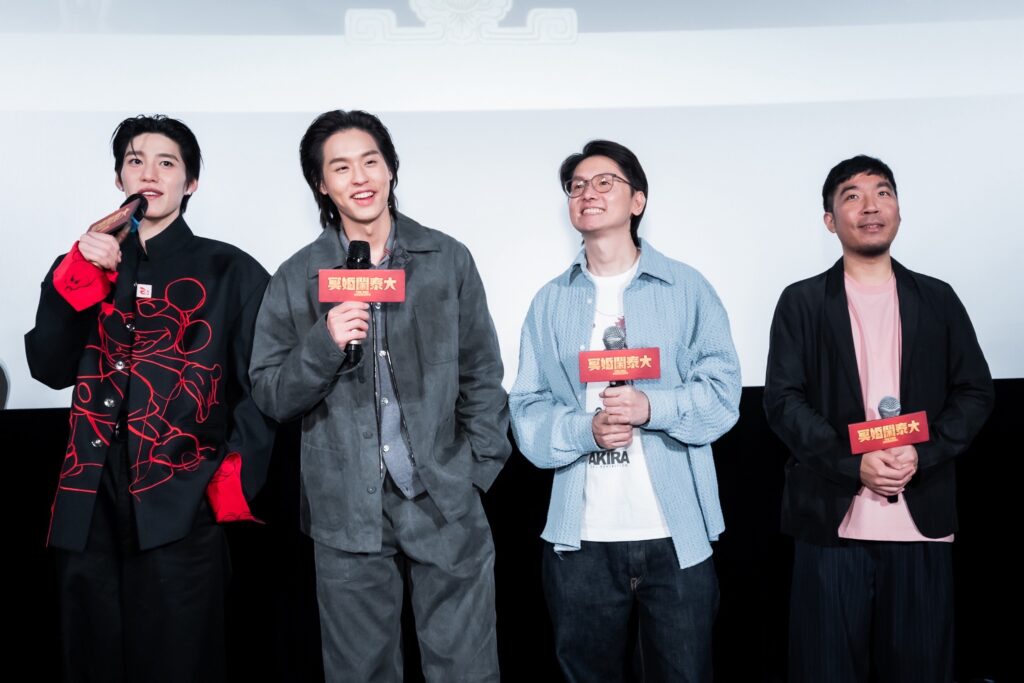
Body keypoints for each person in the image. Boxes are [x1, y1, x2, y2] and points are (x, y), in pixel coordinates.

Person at [248, 110, 510, 682]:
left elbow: (481, 373)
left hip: (444, 497)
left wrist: (474, 471)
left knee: (466, 669)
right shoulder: (298, 275)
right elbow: (270, 392)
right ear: (322, 184)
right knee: (360, 673)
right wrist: (324, 342)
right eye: (341, 167)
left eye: (370, 161)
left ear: (391, 168)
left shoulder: (447, 259)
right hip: (345, 507)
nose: (360, 177)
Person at [25, 114, 275, 682]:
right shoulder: (82, 262)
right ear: (120, 179)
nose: (150, 174)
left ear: (191, 183)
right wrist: (80, 275)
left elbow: (258, 390)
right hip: (89, 498)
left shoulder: (230, 269)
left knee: (179, 660)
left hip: (180, 498)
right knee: (89, 658)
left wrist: (225, 484)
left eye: (167, 163)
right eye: (136, 161)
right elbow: (49, 368)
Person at [509, 140, 741, 682]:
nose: (587, 193)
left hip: (675, 536)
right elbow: (526, 409)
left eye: (604, 182)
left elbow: (724, 393)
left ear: (638, 200)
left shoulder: (686, 288)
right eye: (576, 186)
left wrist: (650, 406)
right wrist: (584, 429)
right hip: (581, 541)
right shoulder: (550, 301)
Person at [763, 154, 995, 682]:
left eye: (883, 193)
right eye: (853, 196)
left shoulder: (937, 298)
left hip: (922, 522)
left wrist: (924, 453)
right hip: (830, 524)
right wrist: (854, 464)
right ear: (830, 220)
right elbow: (782, 402)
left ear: (898, 210)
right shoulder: (801, 302)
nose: (871, 207)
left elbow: (975, 391)